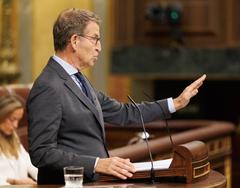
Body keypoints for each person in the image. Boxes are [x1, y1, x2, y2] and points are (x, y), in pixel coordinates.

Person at [26, 8, 206, 185]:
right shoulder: (48, 86)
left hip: (95, 183)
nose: (99, 47)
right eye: (95, 39)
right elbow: (42, 153)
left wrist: (175, 103)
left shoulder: (79, 79)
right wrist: (97, 164)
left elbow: (123, 113)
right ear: (74, 41)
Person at [0, 95, 37, 185]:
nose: (16, 125)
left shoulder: (15, 141)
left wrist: (53, 176)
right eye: (12, 119)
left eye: (18, 120)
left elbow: (33, 167)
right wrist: (14, 181)